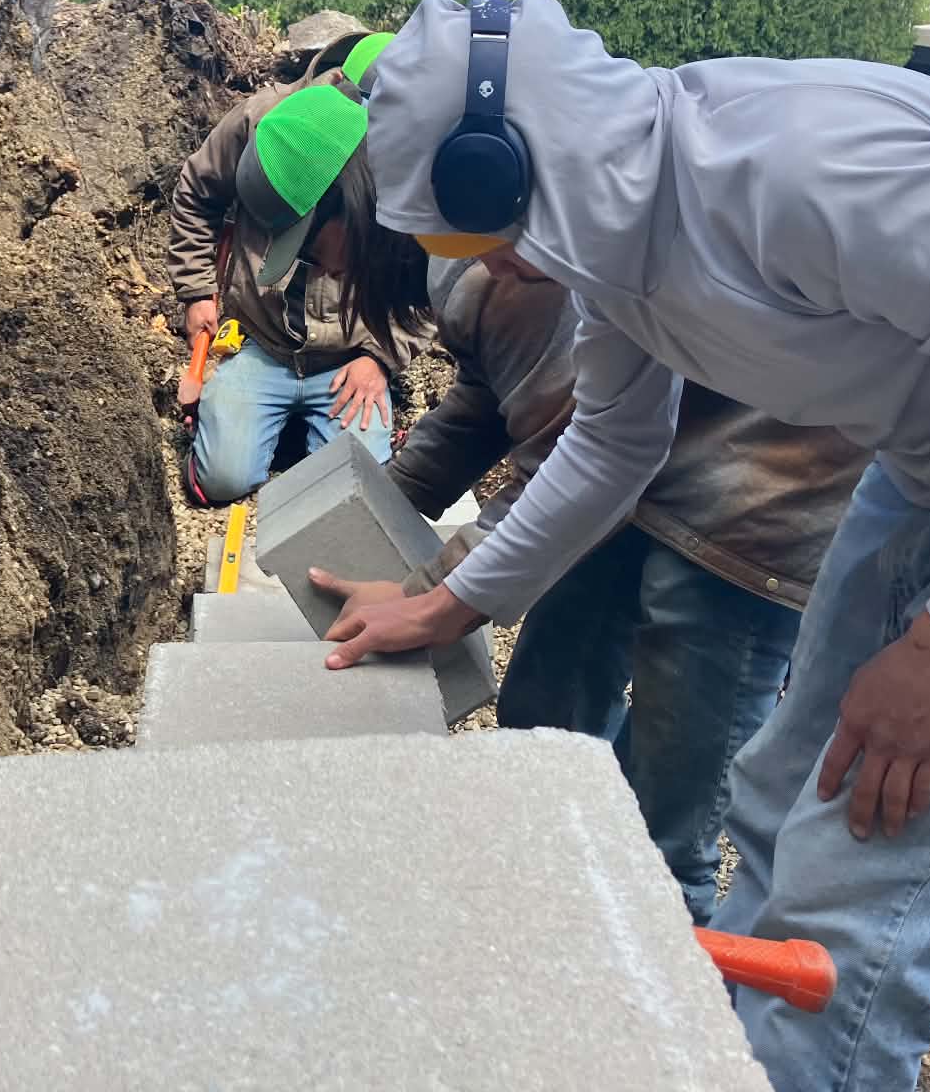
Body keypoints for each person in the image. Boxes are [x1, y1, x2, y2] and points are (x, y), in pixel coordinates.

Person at [328, 0, 930, 1091]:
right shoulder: (617, 243)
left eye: (463, 232)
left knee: (855, 930)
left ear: (504, 171)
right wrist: (446, 603)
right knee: (778, 793)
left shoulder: (799, 174)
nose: (483, 267)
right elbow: (613, 442)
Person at [338, 254, 866, 924]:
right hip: (643, 473)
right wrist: (385, 500)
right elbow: (509, 405)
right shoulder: (483, 266)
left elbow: (561, 461)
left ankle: (651, 973)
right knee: (544, 710)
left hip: (755, 515)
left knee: (665, 816)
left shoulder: (512, 273)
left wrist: (430, 597)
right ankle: (553, 902)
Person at [167, 36, 432, 504]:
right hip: (263, 342)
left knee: (354, 494)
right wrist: (196, 291)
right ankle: (258, 429)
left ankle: (296, 434)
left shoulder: (408, 166)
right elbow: (197, 192)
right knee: (222, 482)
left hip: (349, 361)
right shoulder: (265, 124)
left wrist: (380, 359)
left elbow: (432, 284)